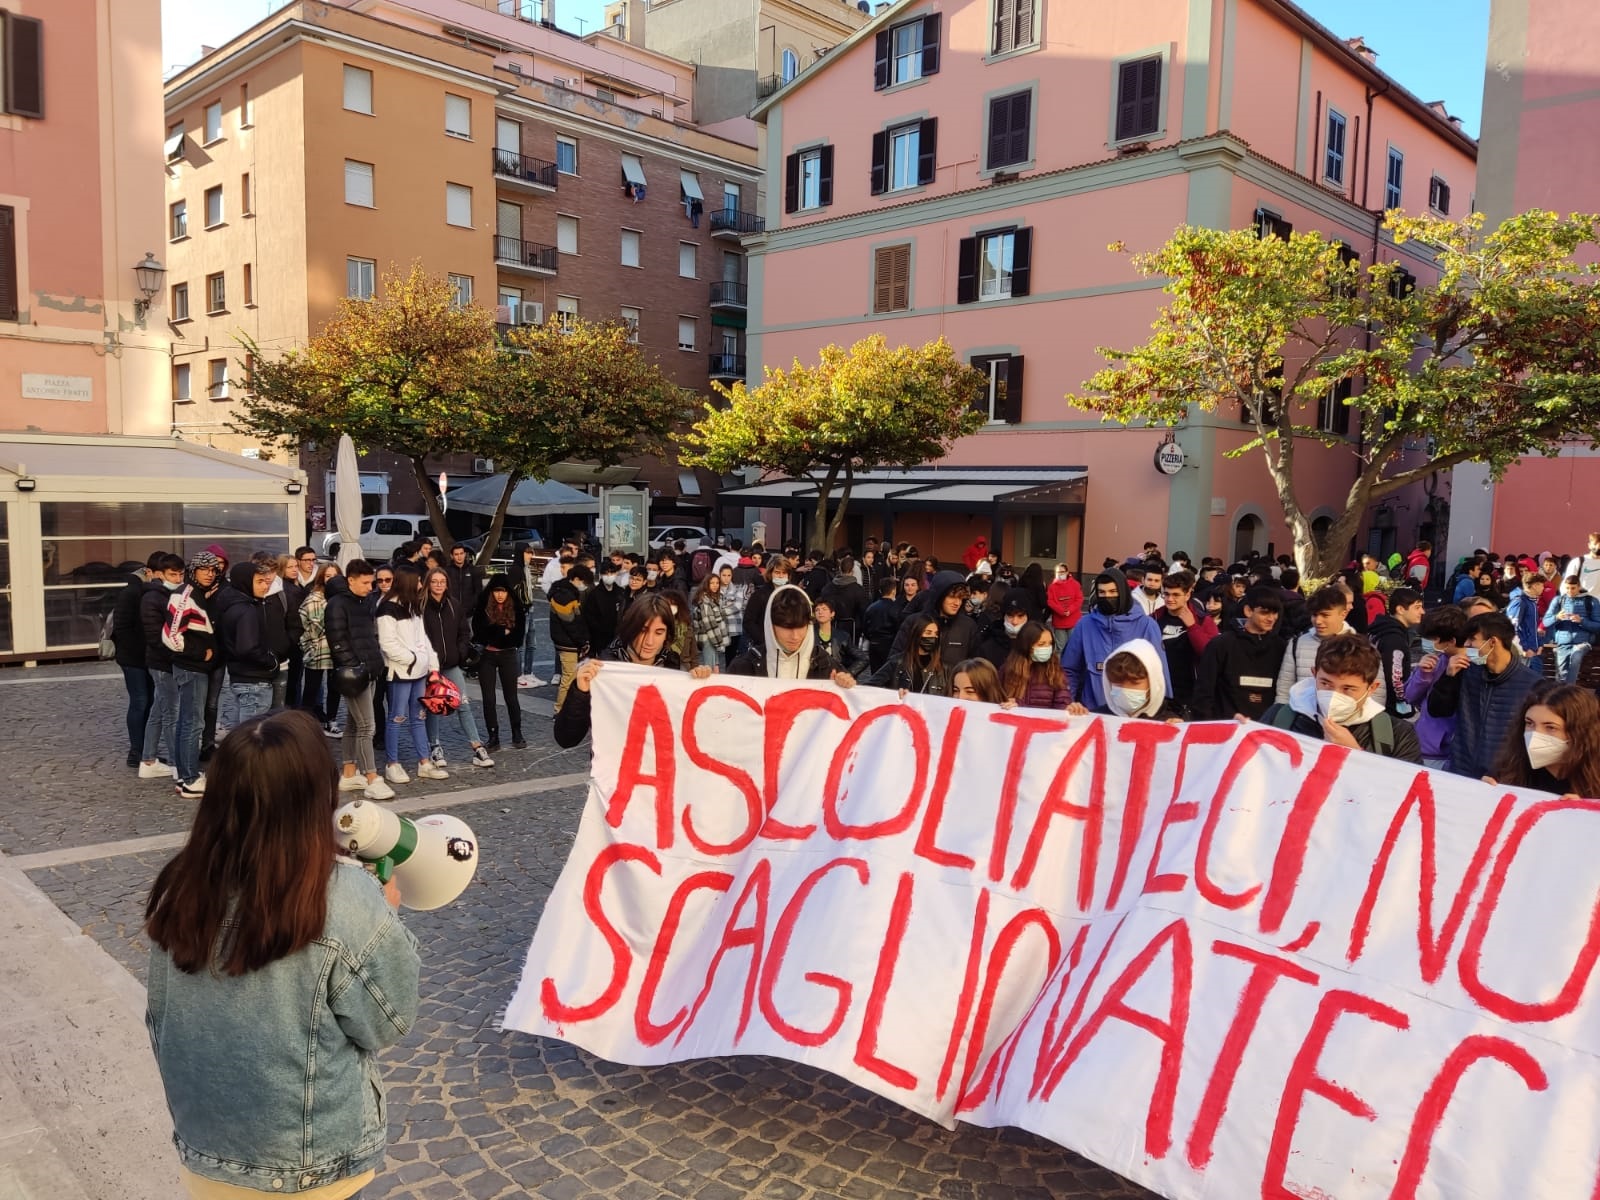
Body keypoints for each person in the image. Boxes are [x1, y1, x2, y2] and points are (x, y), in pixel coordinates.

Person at [144, 709, 420, 1200]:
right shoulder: (343, 896)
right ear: (317, 793)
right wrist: (386, 910)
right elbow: (389, 1021)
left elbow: (161, 1018)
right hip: (310, 1172)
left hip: (207, 1156)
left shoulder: (180, 885)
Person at [555, 595, 715, 748]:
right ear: (631, 628)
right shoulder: (603, 671)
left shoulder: (672, 666)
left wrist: (703, 688)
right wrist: (580, 692)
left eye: (659, 632)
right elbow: (566, 738)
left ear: (667, 634)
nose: (649, 641)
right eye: (643, 630)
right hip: (615, 770)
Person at [1258, 634, 1423, 763]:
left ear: (1371, 688)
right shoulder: (1279, 718)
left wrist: (1353, 753)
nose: (1333, 697)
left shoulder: (1397, 735)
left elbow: (1402, 793)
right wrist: (1238, 733)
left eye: (1348, 689)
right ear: (1314, 674)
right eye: (1326, 683)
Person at [1427, 611, 1546, 780]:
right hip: (1461, 770)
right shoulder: (1465, 671)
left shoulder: (1533, 684)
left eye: (1472, 639)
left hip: (1503, 779)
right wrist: (1448, 678)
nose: (1467, 644)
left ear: (1492, 642)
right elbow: (1438, 710)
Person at [325, 560, 393, 800]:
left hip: (368, 669)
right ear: (350, 580)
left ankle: (349, 771)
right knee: (367, 726)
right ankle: (372, 777)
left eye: (371, 582)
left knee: (355, 724)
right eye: (365, 583)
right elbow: (338, 641)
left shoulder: (363, 602)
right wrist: (355, 665)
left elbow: (367, 636)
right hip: (354, 673)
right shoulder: (336, 604)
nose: (370, 587)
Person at [1062, 567, 1170, 714]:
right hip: (1091, 711)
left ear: (1123, 592)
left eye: (1113, 592)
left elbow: (1159, 673)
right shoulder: (1085, 624)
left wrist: (1161, 713)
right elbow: (1069, 669)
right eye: (1102, 592)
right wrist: (1069, 701)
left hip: (1136, 713)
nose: (1107, 597)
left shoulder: (1146, 625)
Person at [376, 567, 446, 785]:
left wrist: (432, 666)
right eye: (417, 580)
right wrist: (413, 659)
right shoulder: (387, 608)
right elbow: (387, 643)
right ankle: (392, 764)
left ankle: (424, 761)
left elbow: (423, 638)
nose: (420, 585)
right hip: (400, 672)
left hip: (420, 672)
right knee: (396, 717)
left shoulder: (414, 606)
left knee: (419, 717)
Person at [422, 567, 493, 771]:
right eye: (434, 581)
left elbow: (464, 632)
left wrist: (460, 652)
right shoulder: (421, 606)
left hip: (452, 663)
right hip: (430, 666)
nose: (438, 585)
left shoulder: (454, 605)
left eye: (441, 581)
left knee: (462, 703)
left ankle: (477, 746)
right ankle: (434, 746)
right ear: (428, 583)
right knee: (433, 706)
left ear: (446, 583)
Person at [168, 551, 224, 799]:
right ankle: (190, 778)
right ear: (194, 570)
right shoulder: (185, 595)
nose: (210, 573)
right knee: (193, 724)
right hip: (192, 668)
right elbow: (170, 635)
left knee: (187, 723)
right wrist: (200, 654)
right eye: (204, 569)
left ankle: (184, 775)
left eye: (213, 570)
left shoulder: (198, 593)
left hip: (195, 667)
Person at [1485, 684, 1600, 797]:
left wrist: (1586, 809)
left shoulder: (1594, 780)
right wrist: (1482, 791)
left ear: (1580, 732)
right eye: (1530, 723)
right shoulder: (1508, 770)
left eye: (1550, 727)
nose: (1535, 734)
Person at [729, 585, 858, 685]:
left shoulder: (824, 663)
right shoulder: (744, 666)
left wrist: (846, 683)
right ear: (771, 625)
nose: (795, 636)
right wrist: (711, 682)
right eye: (787, 628)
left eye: (801, 627)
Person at [1191, 586, 1286, 721]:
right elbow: (1204, 691)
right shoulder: (1221, 644)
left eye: (1275, 613)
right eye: (1264, 613)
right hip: (1226, 727)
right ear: (1248, 611)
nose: (1271, 618)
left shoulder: (1281, 647)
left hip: (1267, 728)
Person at [216, 560, 285, 730]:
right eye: (259, 582)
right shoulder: (245, 609)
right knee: (252, 734)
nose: (265, 587)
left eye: (266, 581)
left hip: (242, 675)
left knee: (245, 729)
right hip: (253, 679)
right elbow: (247, 647)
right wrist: (271, 661)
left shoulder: (232, 604)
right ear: (246, 583)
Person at [138, 554, 187, 779]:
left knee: (159, 711)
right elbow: (153, 635)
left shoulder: (176, 594)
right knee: (171, 714)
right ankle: (178, 765)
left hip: (169, 661)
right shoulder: (153, 598)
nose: (177, 578)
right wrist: (176, 653)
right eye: (172, 574)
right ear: (161, 574)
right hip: (162, 663)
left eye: (180, 574)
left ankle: (148, 760)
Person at [113, 552, 163, 769]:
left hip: (151, 657)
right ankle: (136, 750)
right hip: (133, 659)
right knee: (140, 701)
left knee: (151, 702)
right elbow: (121, 628)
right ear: (150, 571)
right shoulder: (131, 592)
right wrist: (139, 652)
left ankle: (148, 748)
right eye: (160, 574)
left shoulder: (159, 592)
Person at [1404, 605, 1469, 771]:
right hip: (1423, 743)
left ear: (1451, 641)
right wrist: (1423, 675)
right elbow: (1410, 697)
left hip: (1444, 750)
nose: (1428, 643)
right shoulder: (1438, 660)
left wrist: (1449, 678)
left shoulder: (1469, 667)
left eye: (1433, 639)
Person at [1153, 569, 1218, 717]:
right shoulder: (1154, 618)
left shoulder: (1203, 621)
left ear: (1188, 595)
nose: (1170, 599)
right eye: (1166, 594)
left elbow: (1209, 654)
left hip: (1191, 695)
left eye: (1176, 595)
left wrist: (1192, 627)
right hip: (1160, 693)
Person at [474, 575, 527, 751]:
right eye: (496, 591)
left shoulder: (516, 609)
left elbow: (517, 638)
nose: (499, 595)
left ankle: (517, 732)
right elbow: (480, 633)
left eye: (503, 591)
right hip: (487, 657)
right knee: (488, 698)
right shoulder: (483, 607)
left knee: (511, 697)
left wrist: (494, 635)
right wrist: (501, 631)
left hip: (508, 655)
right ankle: (493, 735)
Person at [1275, 585, 1354, 703]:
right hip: (1302, 716)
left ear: (1343, 614)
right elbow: (1284, 689)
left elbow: (1375, 695)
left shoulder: (1360, 647)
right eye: (1314, 615)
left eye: (1325, 615)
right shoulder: (1297, 644)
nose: (1318, 621)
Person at [1067, 639, 1177, 721]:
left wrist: (1178, 735)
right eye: (1117, 683)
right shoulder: (1098, 718)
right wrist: (1075, 721)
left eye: (1134, 683)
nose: (1125, 690)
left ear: (1152, 682)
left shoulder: (1169, 721)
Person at [887, 570, 979, 668]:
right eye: (952, 597)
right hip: (917, 681)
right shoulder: (914, 621)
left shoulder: (968, 626)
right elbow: (894, 660)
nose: (957, 603)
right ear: (939, 596)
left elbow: (974, 666)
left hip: (953, 682)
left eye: (961, 598)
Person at [299, 563, 342, 734]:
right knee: (311, 687)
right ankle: (306, 722)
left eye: (335, 576)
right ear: (322, 578)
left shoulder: (341, 597)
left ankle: (331, 719)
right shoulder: (315, 599)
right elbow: (315, 627)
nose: (331, 579)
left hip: (338, 650)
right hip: (318, 650)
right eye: (328, 576)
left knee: (335, 687)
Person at [1366, 586, 1421, 717]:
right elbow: (1395, 678)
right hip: (1388, 708)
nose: (1422, 611)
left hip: (1377, 702)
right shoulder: (1394, 639)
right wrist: (1403, 702)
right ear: (1400, 609)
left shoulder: (1383, 629)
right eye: (1417, 607)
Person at [866, 615, 950, 696]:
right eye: (928, 633)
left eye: (936, 633)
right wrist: (892, 696)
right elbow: (867, 688)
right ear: (917, 634)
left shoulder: (944, 668)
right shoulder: (897, 662)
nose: (933, 637)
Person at [548, 563, 593, 710]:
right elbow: (570, 623)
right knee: (568, 678)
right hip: (567, 642)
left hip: (569, 641)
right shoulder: (564, 596)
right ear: (576, 579)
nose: (584, 586)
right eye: (584, 582)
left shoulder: (568, 592)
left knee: (570, 676)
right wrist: (581, 641)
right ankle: (559, 710)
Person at [1001, 620, 1071, 710]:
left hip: (1046, 722)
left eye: (1050, 643)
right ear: (1027, 646)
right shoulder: (1007, 670)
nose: (1047, 648)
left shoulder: (1055, 670)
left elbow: (1062, 703)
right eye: (1041, 644)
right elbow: (997, 700)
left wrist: (1069, 708)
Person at [1544, 572, 1600, 684]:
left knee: (1576, 657)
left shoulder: (1591, 601)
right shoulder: (1558, 600)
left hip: (1583, 641)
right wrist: (1557, 617)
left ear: (1579, 587)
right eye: (1567, 588)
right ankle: (1563, 694)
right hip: (1562, 642)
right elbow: (1546, 622)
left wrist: (1582, 621)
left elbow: (1598, 625)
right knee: (1561, 673)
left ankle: (1569, 690)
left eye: (1573, 588)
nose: (1570, 591)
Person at [513, 542, 546, 689]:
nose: (530, 556)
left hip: (529, 608)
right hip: (521, 611)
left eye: (531, 553)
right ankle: (518, 676)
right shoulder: (516, 569)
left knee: (532, 643)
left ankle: (528, 672)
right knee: (519, 644)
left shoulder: (526, 569)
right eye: (527, 553)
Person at [812, 597, 867, 677]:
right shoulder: (808, 635)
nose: (820, 612)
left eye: (824, 609)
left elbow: (863, 658)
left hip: (835, 679)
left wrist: (847, 674)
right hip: (814, 679)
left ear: (832, 613)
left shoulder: (842, 636)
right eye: (817, 610)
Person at [691, 574, 731, 668]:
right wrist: (718, 643)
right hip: (709, 639)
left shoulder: (712, 599)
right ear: (706, 584)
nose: (715, 585)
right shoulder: (705, 601)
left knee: (715, 667)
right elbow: (709, 623)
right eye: (712, 583)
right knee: (710, 669)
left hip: (712, 638)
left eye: (717, 583)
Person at [1505, 570, 1547, 657]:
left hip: (1531, 651)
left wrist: (1539, 645)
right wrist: (1523, 649)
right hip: (1521, 653)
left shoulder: (1532, 602)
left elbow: (1533, 627)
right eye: (1542, 585)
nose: (1543, 588)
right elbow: (1511, 628)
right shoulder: (1520, 601)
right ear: (1535, 585)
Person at [1045, 563, 1083, 656]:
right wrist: (1061, 611)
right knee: (1060, 647)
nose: (1060, 574)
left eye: (1062, 572)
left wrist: (1070, 610)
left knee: (1074, 646)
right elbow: (1050, 601)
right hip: (1059, 621)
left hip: (1073, 620)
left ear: (1067, 572)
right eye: (1058, 572)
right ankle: (1059, 667)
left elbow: (1079, 599)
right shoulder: (1052, 587)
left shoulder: (1075, 584)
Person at [442, 542, 484, 611]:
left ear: (465, 554)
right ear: (451, 556)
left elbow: (478, 590)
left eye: (461, 553)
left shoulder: (473, 570)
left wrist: (473, 604)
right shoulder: (446, 571)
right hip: (451, 611)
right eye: (456, 554)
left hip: (469, 612)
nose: (459, 556)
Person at [1567, 533, 1600, 602]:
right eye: (1595, 544)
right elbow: (1566, 585)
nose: (1598, 547)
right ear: (1589, 545)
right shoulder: (1578, 562)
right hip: (1582, 606)